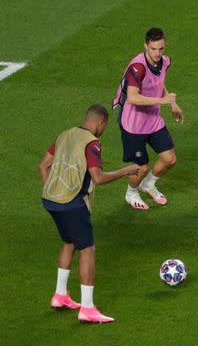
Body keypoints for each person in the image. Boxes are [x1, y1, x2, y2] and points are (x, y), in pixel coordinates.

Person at [39, 104, 140, 323]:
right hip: (71, 203)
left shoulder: (64, 134)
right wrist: (126, 171)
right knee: (88, 249)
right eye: (104, 126)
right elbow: (98, 178)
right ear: (100, 123)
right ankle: (87, 308)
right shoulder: (92, 143)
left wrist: (53, 191)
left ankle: (60, 295)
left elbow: (43, 166)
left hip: (50, 200)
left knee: (69, 242)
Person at [113, 27, 184, 210]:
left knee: (170, 159)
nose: (158, 53)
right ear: (145, 45)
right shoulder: (137, 67)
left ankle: (148, 184)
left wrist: (172, 104)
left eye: (161, 48)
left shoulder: (164, 62)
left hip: (153, 121)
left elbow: (158, 82)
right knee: (141, 168)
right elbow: (132, 97)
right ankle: (131, 193)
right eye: (153, 49)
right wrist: (163, 101)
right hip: (133, 125)